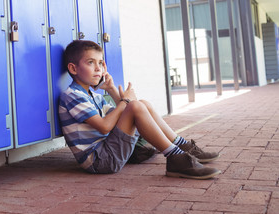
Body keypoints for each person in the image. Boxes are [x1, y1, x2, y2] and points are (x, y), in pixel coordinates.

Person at [58, 40, 220, 179]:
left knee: (142, 103)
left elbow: (122, 115)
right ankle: (175, 157)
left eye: (101, 63)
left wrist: (112, 90)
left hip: (107, 151)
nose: (98, 68)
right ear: (73, 69)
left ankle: (182, 147)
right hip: (99, 161)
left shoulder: (93, 96)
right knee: (135, 105)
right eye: (90, 62)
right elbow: (105, 126)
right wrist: (125, 100)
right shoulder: (73, 95)